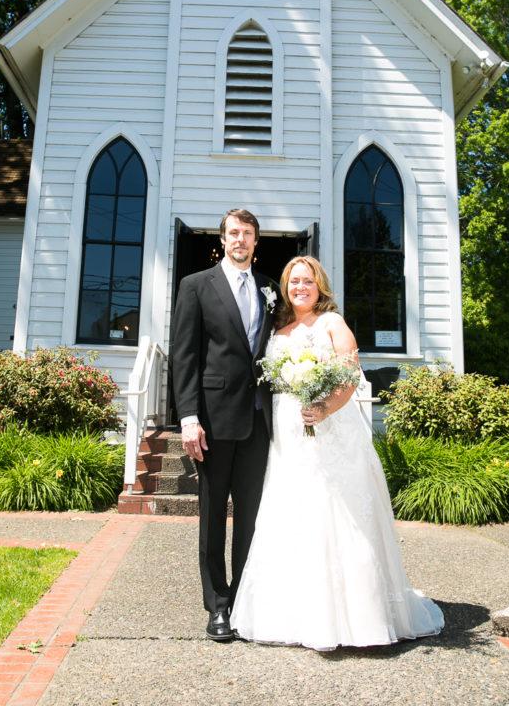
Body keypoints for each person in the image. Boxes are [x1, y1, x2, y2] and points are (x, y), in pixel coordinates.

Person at [230, 255, 444, 649]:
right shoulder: (279, 328)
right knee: (293, 516)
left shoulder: (332, 323)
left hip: (331, 435)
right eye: (293, 282)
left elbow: (350, 376)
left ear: (319, 286)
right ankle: (295, 617)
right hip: (288, 440)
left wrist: (325, 406)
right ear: (285, 286)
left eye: (307, 282)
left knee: (336, 516)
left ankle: (356, 618)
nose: (300, 288)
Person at [171, 209, 279, 642]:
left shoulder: (271, 288)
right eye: (233, 233)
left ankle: (245, 602)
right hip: (213, 421)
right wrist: (189, 417)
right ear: (223, 239)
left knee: (251, 518)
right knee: (214, 516)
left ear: (256, 242)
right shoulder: (196, 286)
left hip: (258, 420)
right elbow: (185, 355)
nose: (240, 240)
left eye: (248, 234)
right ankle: (217, 607)